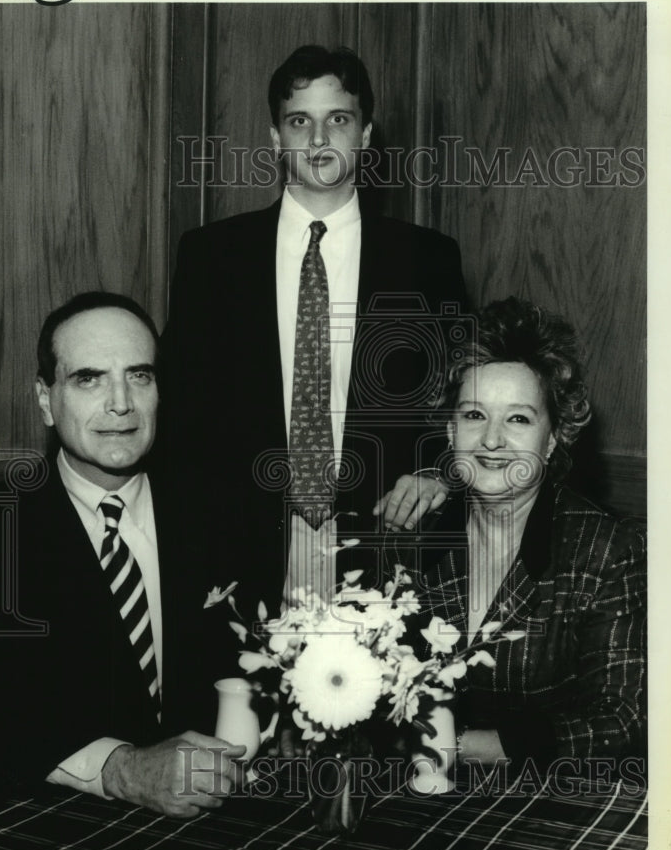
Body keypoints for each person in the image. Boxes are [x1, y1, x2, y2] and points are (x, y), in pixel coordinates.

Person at [159, 44, 469, 621]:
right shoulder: (211, 255)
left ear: (366, 135)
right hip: (239, 551)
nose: (319, 139)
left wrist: (437, 470)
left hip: (385, 546)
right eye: (300, 121)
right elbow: (182, 411)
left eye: (339, 120)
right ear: (276, 138)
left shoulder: (427, 258)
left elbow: (461, 391)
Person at [0, 293, 244, 847]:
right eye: (89, 378)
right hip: (51, 843)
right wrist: (122, 770)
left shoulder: (220, 512)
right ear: (45, 399)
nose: (120, 403)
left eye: (139, 376)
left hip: (217, 830)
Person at [394, 297, 646, 776]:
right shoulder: (413, 534)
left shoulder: (607, 551)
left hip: (547, 802)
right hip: (410, 796)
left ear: (553, 439)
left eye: (518, 419)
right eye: (473, 415)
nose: (491, 440)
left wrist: (457, 744)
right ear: (450, 430)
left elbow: (623, 720)